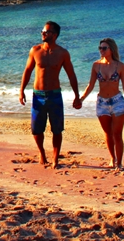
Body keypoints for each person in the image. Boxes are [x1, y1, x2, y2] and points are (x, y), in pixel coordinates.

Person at [19, 21, 81, 168]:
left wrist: (77, 95)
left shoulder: (62, 53)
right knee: (36, 129)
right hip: (38, 95)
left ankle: (55, 159)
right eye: (42, 31)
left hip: (54, 95)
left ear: (54, 35)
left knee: (57, 129)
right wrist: (21, 91)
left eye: (46, 32)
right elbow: (27, 71)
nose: (42, 33)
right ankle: (41, 153)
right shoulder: (35, 50)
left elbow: (71, 75)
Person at [79, 38, 124, 171]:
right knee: (107, 133)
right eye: (100, 48)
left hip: (117, 101)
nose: (101, 51)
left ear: (111, 50)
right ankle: (112, 158)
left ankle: (119, 162)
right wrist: (81, 99)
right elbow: (91, 85)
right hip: (102, 102)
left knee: (117, 133)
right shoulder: (96, 65)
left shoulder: (120, 66)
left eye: (104, 48)